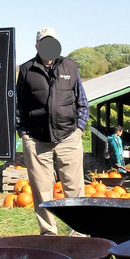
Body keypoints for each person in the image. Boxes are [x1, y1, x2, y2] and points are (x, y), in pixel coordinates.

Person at [15, 26, 88, 236]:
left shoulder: (71, 67)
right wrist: (23, 133)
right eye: (43, 42)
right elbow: (18, 105)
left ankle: (79, 234)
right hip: (37, 141)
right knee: (41, 190)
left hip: (68, 138)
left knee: (75, 189)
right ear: (37, 45)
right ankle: (49, 234)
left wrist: (79, 129)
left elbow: (82, 101)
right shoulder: (27, 69)